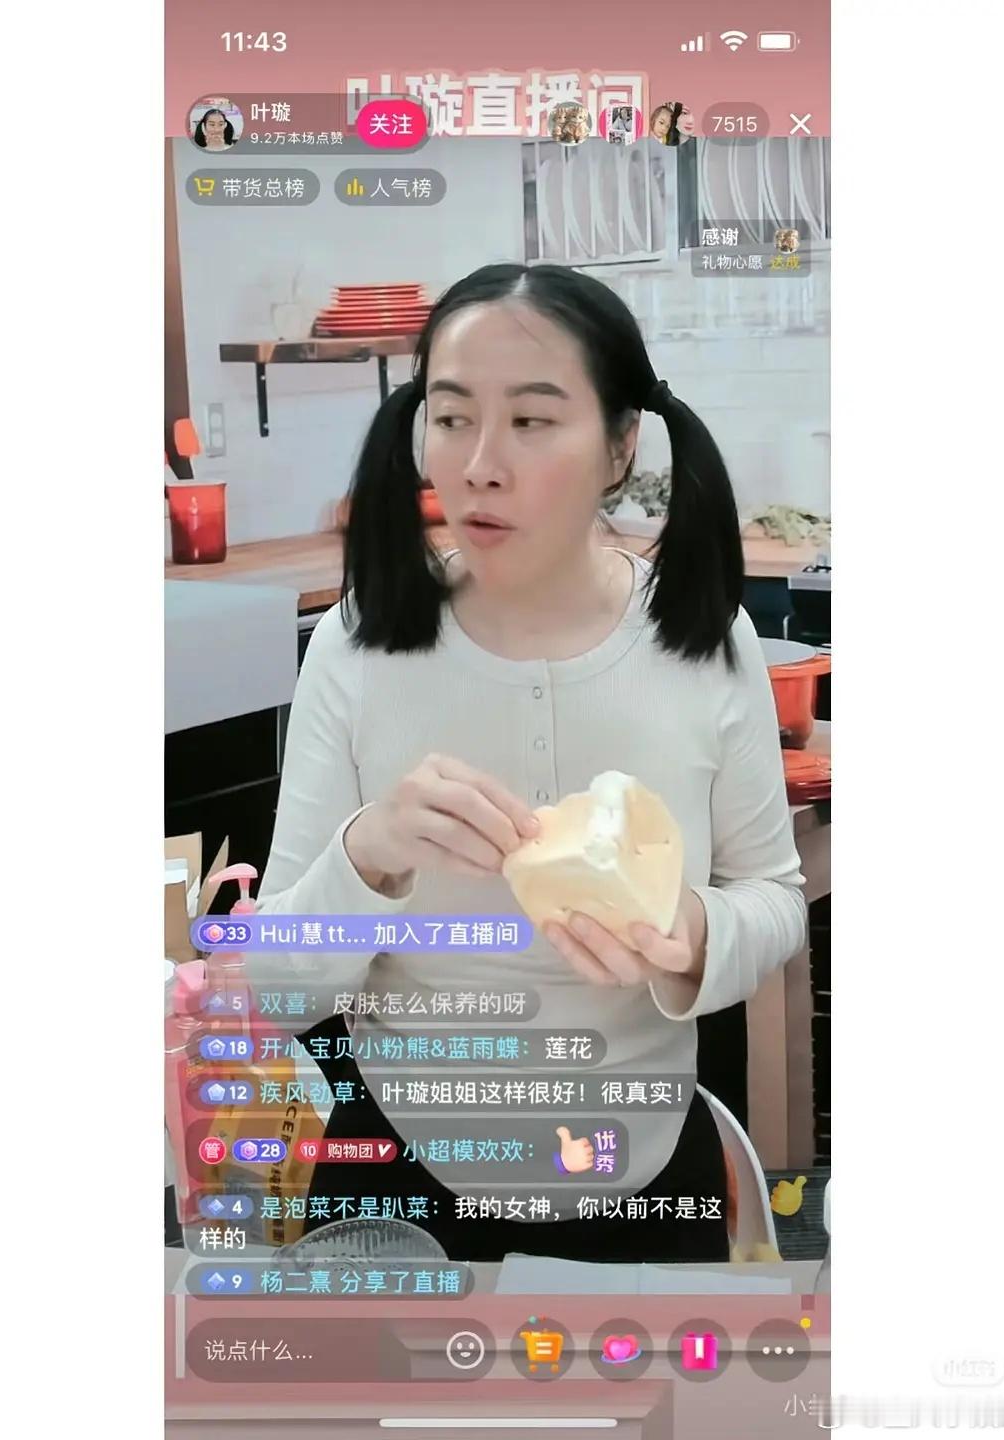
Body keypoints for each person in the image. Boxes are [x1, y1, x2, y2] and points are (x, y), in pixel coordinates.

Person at [253, 263, 806, 1263]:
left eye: (533, 421)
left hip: (645, 1172)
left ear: (621, 445)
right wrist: (369, 853)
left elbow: (773, 895)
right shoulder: (360, 646)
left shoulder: (700, 637)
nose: (480, 465)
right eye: (452, 418)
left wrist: (692, 935)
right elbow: (275, 989)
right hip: (403, 1183)